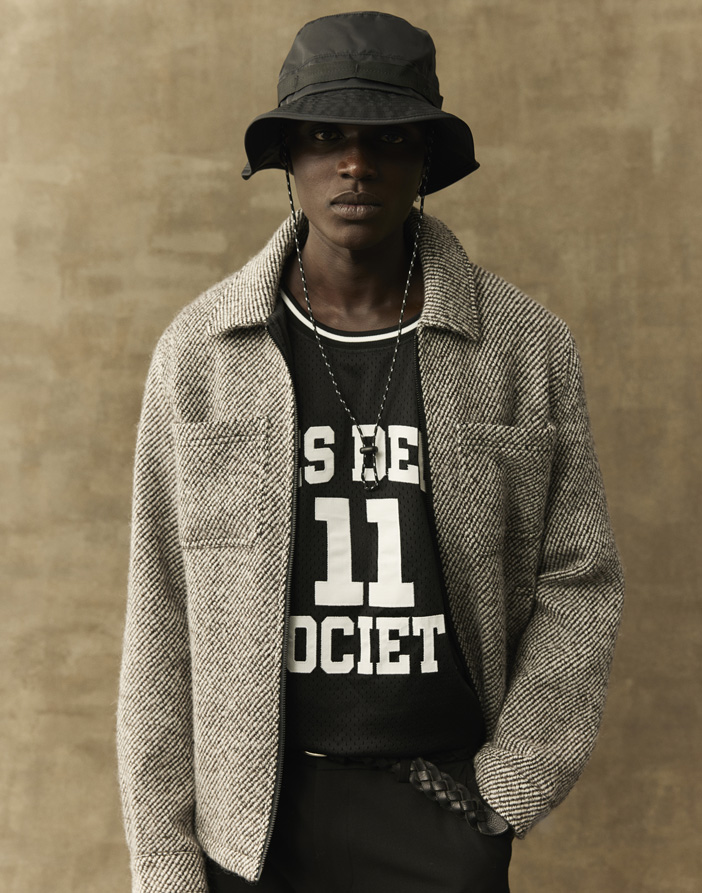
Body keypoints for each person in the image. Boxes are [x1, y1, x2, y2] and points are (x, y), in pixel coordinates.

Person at [117, 11, 624, 893]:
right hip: (252, 825)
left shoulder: (522, 345)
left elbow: (579, 577)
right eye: (326, 136)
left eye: (386, 138)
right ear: (289, 157)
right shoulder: (203, 353)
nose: (355, 164)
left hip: (440, 805)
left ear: (424, 157)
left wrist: (509, 785)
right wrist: (165, 861)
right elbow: (161, 613)